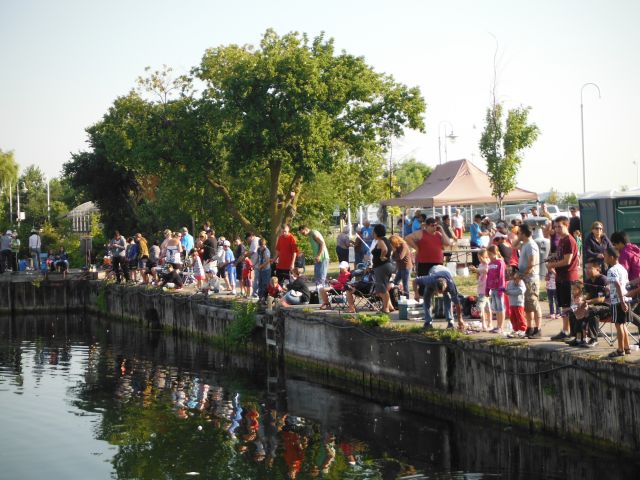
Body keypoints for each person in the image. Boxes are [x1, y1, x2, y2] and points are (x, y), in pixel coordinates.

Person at [547, 216, 580, 341]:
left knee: (570, 306)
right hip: (560, 278)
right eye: (555, 227)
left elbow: (567, 260)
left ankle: (574, 332)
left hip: (569, 278)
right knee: (564, 306)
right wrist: (553, 258)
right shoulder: (561, 240)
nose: (557, 229)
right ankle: (566, 331)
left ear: (567, 225)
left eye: (559, 226)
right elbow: (560, 256)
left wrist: (552, 265)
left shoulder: (569, 240)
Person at [406, 217, 451, 293]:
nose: (435, 227)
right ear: (427, 226)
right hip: (424, 262)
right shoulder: (421, 233)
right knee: (423, 284)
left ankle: (435, 295)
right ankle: (423, 299)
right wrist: (416, 247)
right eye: (432, 225)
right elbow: (407, 238)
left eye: (436, 225)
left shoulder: (439, 234)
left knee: (437, 282)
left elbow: (447, 243)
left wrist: (442, 230)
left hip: (437, 262)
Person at [413, 265, 464, 330]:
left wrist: (460, 319)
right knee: (426, 297)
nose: (440, 294)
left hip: (446, 271)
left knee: (447, 298)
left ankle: (450, 321)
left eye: (442, 292)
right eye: (439, 292)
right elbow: (415, 281)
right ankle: (428, 322)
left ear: (446, 286)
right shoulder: (430, 280)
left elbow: (457, 303)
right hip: (434, 270)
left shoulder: (451, 286)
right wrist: (416, 294)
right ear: (435, 287)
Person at [517, 224, 542, 339]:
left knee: (534, 304)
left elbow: (531, 263)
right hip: (525, 279)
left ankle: (538, 329)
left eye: (519, 233)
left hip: (531, 280)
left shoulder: (531, 245)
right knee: (527, 306)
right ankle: (530, 327)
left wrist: (522, 275)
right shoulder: (524, 244)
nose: (517, 235)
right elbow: (513, 245)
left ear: (523, 233)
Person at [604, 247, 630, 357]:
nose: (604, 258)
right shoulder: (622, 268)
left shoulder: (611, 270)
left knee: (618, 325)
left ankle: (620, 349)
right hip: (625, 298)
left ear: (611, 257)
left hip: (618, 301)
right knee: (623, 324)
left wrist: (621, 301)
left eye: (605, 256)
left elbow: (618, 285)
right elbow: (625, 284)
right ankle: (627, 347)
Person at [369, 224, 395, 313]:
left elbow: (384, 249)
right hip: (387, 266)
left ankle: (385, 308)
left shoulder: (380, 241)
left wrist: (381, 256)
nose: (373, 234)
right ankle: (389, 306)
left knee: (382, 289)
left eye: (373, 232)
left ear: (377, 232)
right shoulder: (386, 240)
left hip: (381, 267)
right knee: (384, 287)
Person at [469, 249, 492, 331]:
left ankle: (485, 324)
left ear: (485, 256)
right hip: (481, 286)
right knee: (487, 306)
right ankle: (488, 323)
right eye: (478, 258)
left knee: (481, 307)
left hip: (486, 287)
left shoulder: (488, 263)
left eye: (480, 258)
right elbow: (478, 275)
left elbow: (486, 270)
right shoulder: (480, 264)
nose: (479, 260)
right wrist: (476, 272)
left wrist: (477, 270)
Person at [486, 245, 506, 333]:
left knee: (501, 308)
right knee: (496, 308)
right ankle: (497, 325)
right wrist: (487, 289)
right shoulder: (490, 264)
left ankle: (501, 326)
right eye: (488, 255)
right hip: (493, 289)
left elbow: (501, 276)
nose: (489, 256)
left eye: (490, 254)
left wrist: (501, 289)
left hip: (499, 289)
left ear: (495, 253)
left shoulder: (500, 262)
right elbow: (488, 277)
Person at [505, 270, 527, 337]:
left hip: (519, 303)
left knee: (520, 317)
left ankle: (523, 329)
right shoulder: (510, 283)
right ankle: (515, 329)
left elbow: (520, 291)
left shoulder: (521, 283)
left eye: (517, 278)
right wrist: (508, 291)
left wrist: (510, 292)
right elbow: (507, 290)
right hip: (512, 303)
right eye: (514, 278)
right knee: (513, 317)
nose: (515, 280)